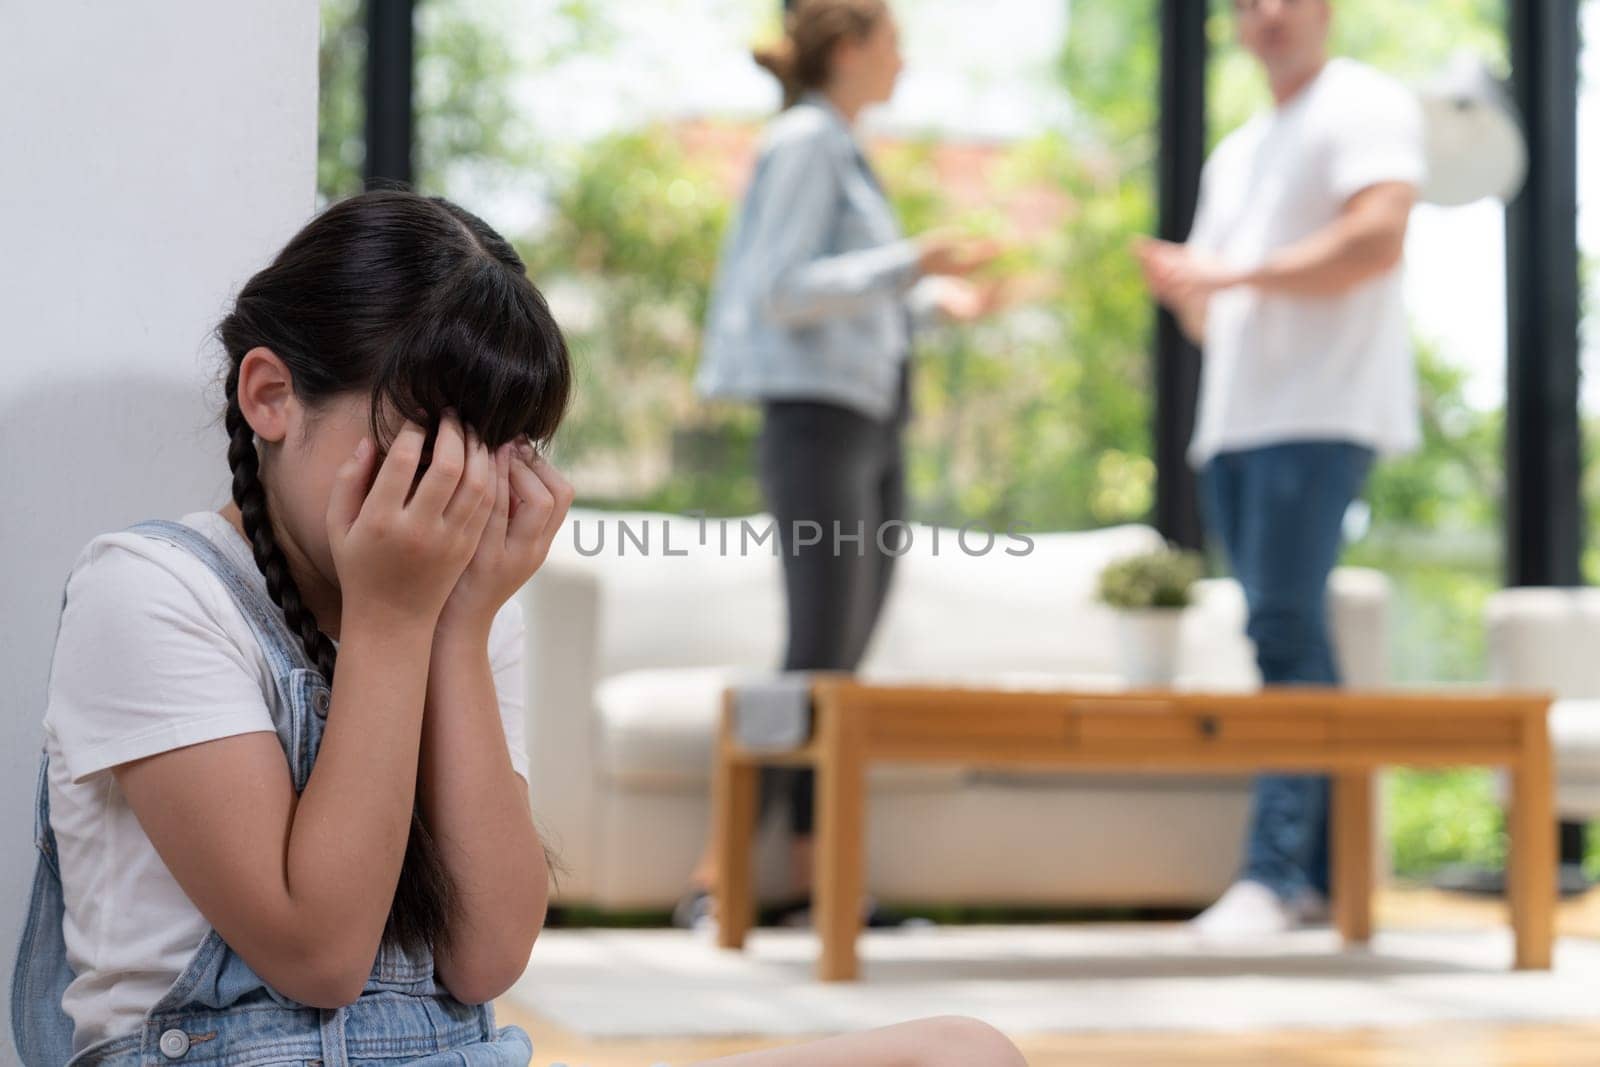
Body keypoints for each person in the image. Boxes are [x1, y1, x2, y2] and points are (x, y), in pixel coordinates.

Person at [12, 189, 1026, 1067]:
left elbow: (487, 955)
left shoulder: (457, 603)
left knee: (961, 1050)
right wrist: (395, 618)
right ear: (271, 395)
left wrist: (455, 627)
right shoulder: (151, 590)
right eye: (425, 437)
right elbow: (317, 954)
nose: (461, 488)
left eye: (501, 445)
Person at [684, 0, 1003, 930]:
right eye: (897, 42)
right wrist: (911, 262)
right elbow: (780, 290)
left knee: (841, 666)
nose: (905, 61)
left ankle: (823, 887)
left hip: (868, 420)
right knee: (817, 652)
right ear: (853, 48)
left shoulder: (845, 150)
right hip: (816, 423)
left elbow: (851, 302)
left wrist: (939, 301)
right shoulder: (807, 142)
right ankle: (718, 880)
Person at [1135, 0, 1424, 937]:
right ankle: (1334, 880)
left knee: (1285, 625)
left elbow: (1376, 240)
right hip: (1236, 425)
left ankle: (1276, 872)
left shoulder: (1362, 103)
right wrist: (1191, 287)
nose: (1264, 13)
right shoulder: (1239, 150)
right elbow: (1213, 313)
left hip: (1319, 412)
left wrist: (1233, 274)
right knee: (1289, 642)